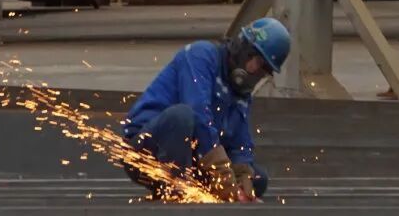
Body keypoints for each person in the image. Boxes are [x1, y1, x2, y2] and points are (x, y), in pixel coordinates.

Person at [119, 17, 291, 202]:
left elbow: (241, 143)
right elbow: (199, 113)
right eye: (254, 60)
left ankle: (195, 186)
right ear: (241, 48)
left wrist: (243, 178)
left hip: (192, 156)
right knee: (182, 116)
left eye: (262, 69)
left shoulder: (241, 93)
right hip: (147, 151)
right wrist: (222, 172)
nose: (254, 70)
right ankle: (176, 189)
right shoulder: (201, 55)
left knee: (258, 179)